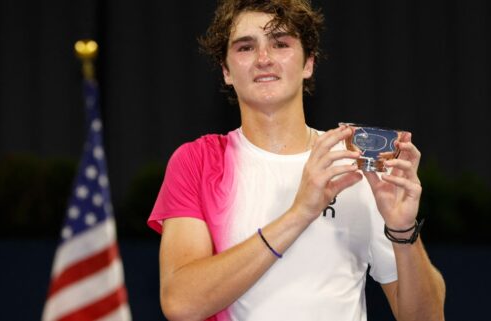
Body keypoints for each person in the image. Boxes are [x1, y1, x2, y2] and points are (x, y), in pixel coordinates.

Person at [147, 0, 446, 320]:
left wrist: (402, 231)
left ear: (308, 63)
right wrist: (301, 212)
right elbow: (181, 303)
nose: (263, 59)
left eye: (280, 44)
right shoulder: (198, 161)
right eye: (246, 47)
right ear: (226, 71)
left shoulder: (356, 162)